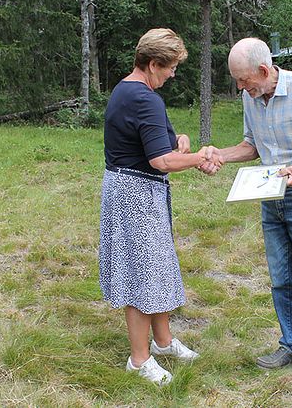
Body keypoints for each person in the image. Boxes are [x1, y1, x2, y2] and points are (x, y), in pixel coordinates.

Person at [201, 37, 292, 399]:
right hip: (271, 198)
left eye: (244, 80)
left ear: (264, 71)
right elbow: (252, 145)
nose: (240, 87)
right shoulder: (253, 98)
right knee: (281, 280)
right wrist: (221, 154)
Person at [99, 28, 212, 386]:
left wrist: (179, 141)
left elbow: (158, 142)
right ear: (152, 64)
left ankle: (162, 343)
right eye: (171, 67)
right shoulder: (144, 98)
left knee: (158, 268)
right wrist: (198, 158)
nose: (173, 73)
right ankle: (139, 359)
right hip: (134, 195)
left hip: (133, 190)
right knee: (141, 276)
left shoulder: (127, 89)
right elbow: (161, 160)